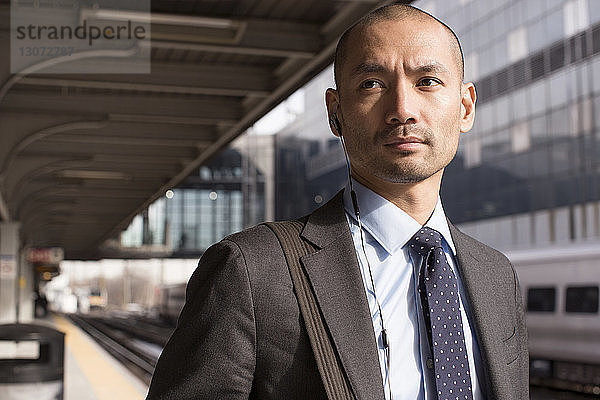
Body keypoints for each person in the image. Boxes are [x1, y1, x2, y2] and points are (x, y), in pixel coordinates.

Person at [146, 3, 529, 400]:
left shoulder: (496, 276)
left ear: (465, 108)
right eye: (372, 84)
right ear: (335, 112)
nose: (402, 110)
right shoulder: (250, 270)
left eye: (427, 81)